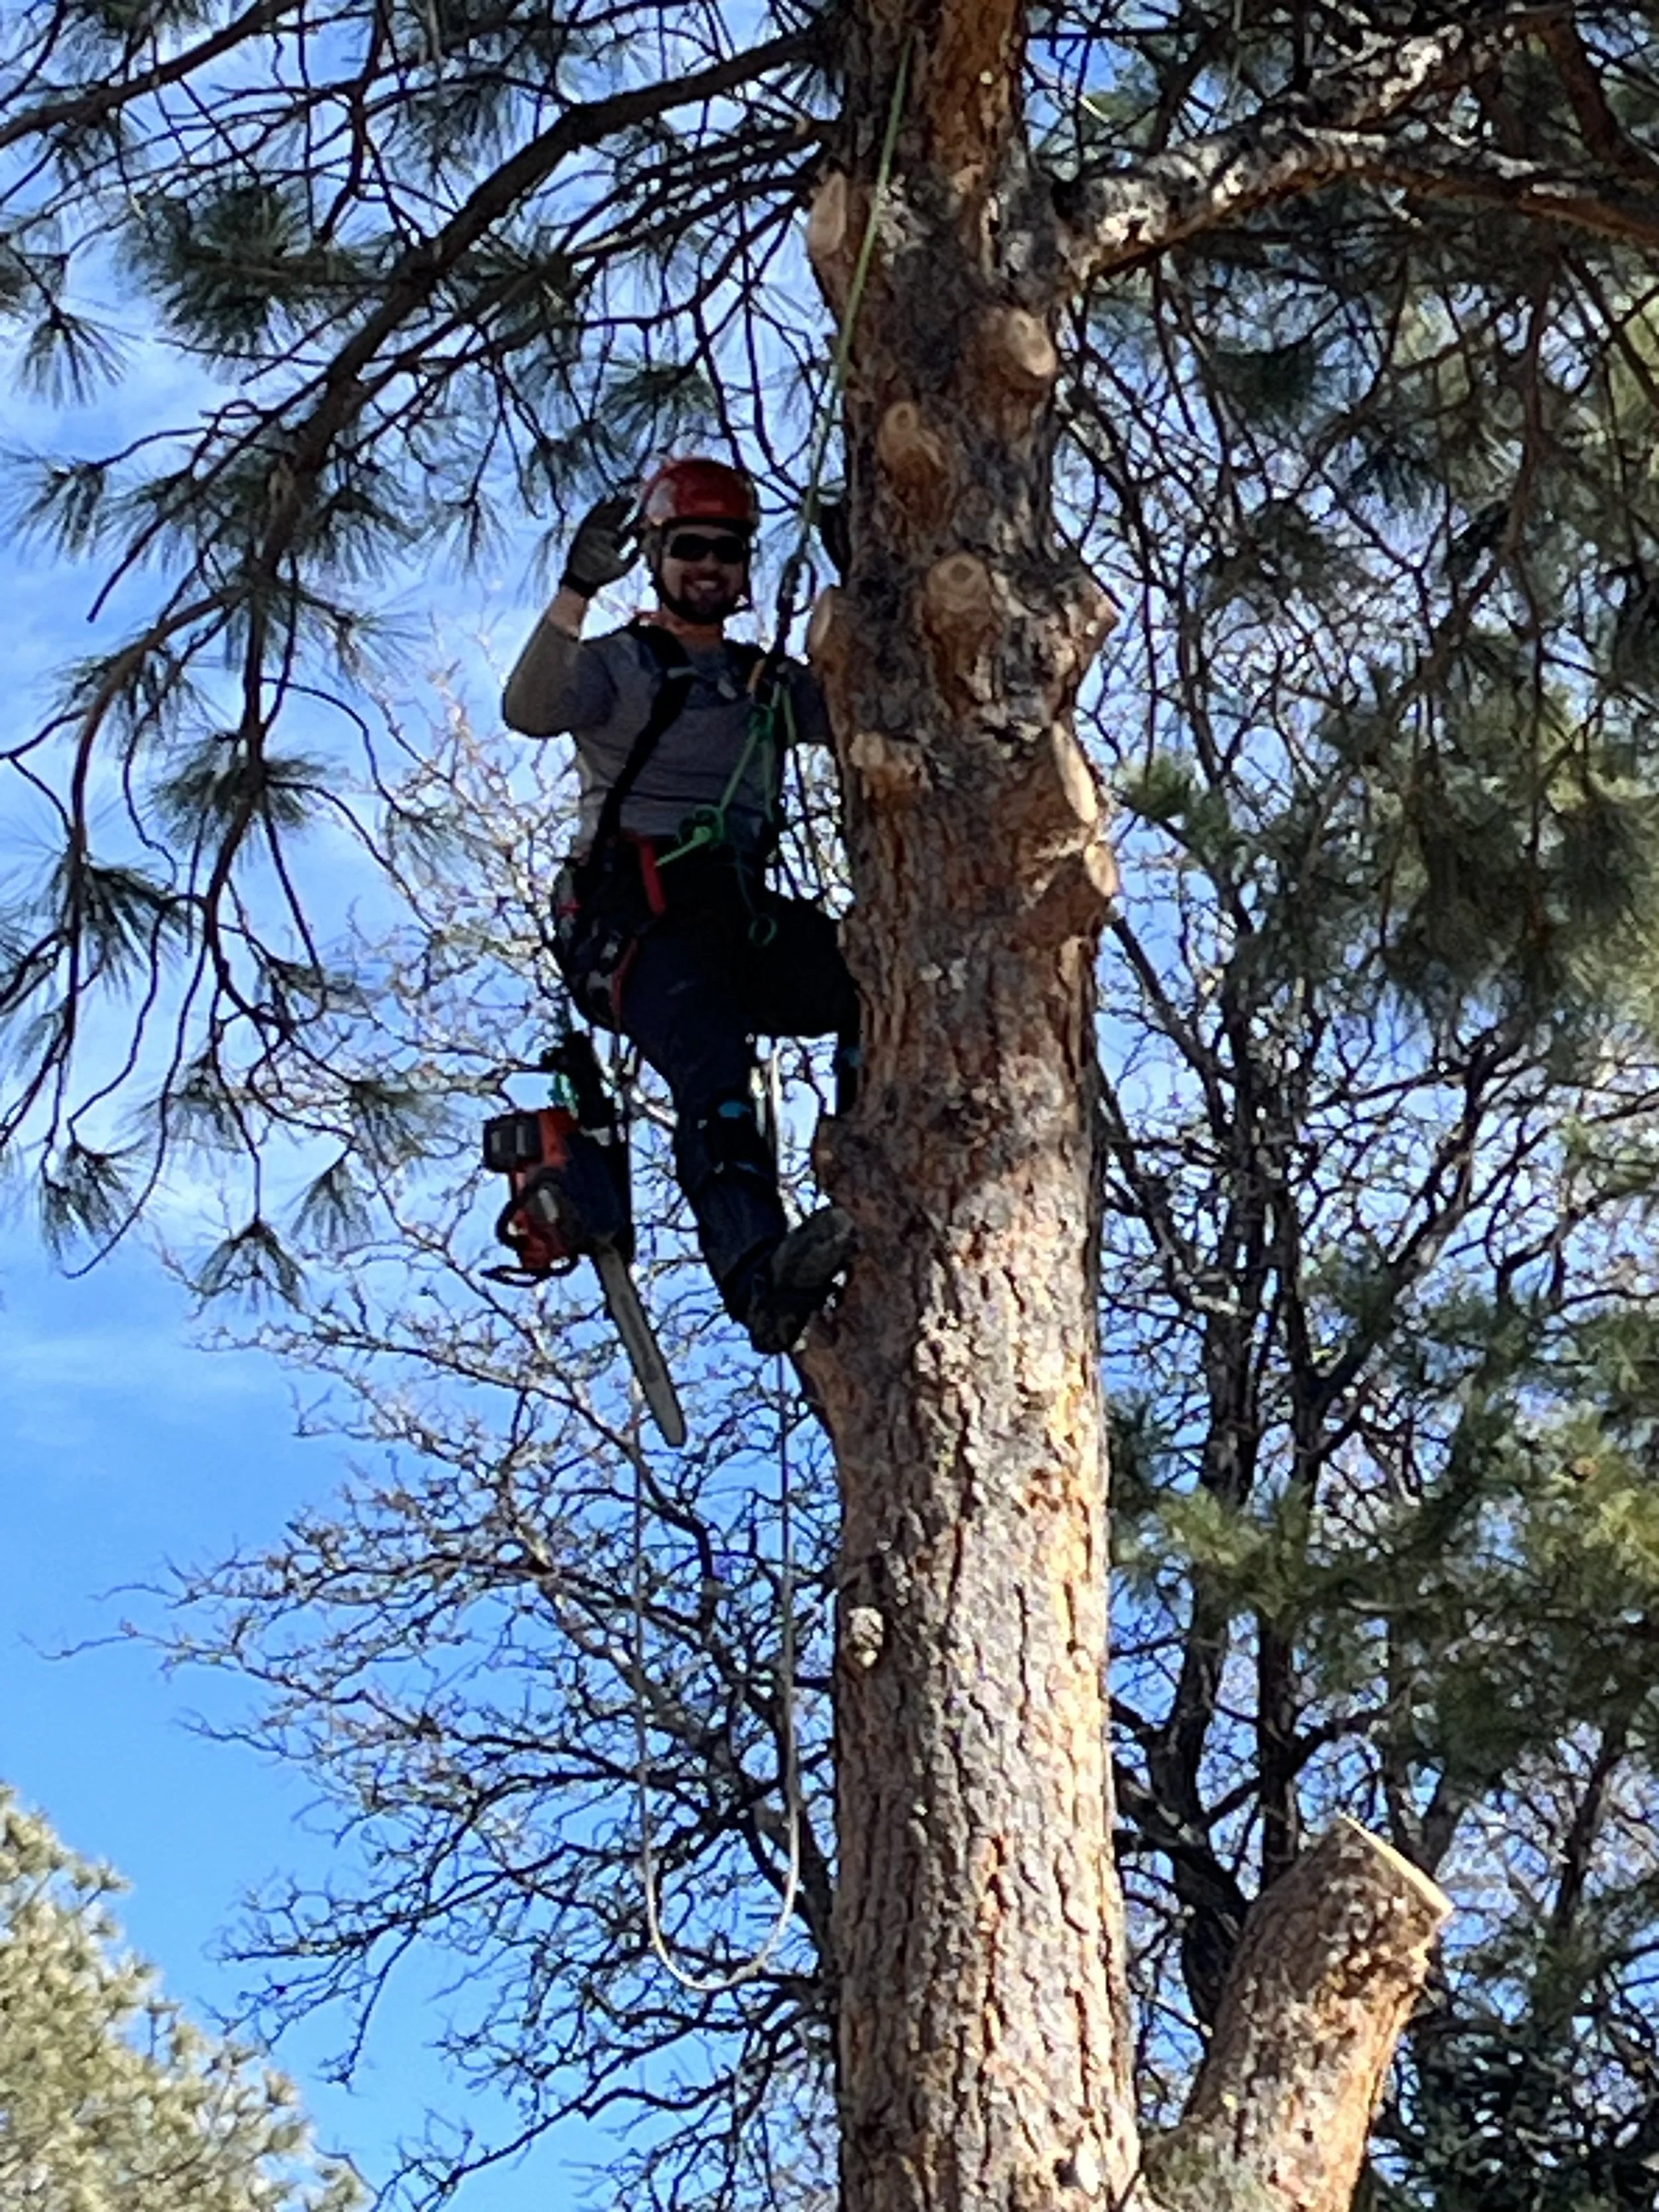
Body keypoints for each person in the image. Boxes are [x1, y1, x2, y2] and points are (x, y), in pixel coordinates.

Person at [502, 457, 859, 1355]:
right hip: (639, 926)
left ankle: (872, 1171)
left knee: (872, 984)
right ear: (656, 555)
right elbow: (531, 706)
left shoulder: (765, 683)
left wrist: (869, 584)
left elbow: (874, 706)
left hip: (738, 918)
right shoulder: (621, 667)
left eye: (728, 550)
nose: (710, 567)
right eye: (690, 548)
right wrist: (577, 589)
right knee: (713, 1065)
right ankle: (757, 1277)